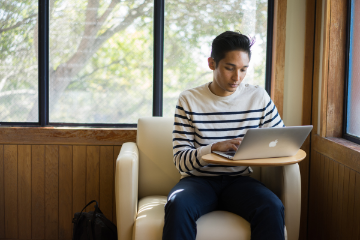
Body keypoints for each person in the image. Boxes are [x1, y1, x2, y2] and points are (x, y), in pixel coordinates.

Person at [162, 31, 285, 240]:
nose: (237, 77)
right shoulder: (189, 100)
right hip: (198, 181)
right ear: (212, 63)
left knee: (272, 206)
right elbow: (181, 161)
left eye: (243, 69)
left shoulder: (258, 97)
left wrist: (258, 148)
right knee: (177, 203)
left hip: (239, 180)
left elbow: (280, 141)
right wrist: (213, 148)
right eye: (230, 68)